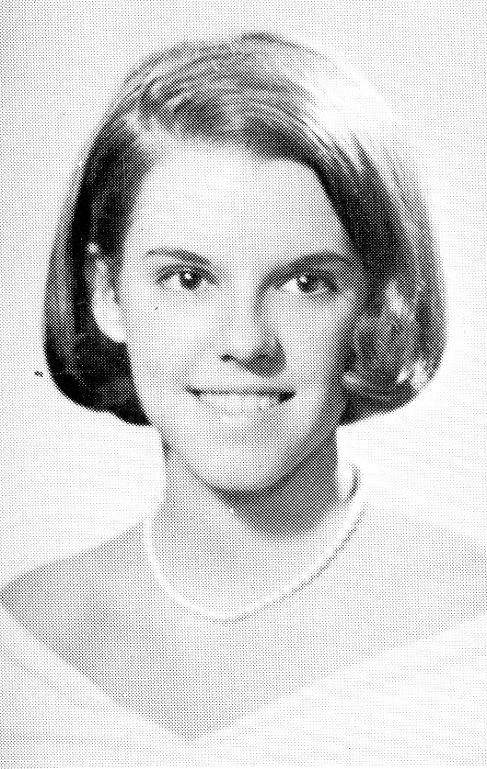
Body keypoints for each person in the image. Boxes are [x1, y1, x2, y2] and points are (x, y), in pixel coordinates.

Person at [1, 31, 486, 766]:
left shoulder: (468, 637)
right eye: (188, 278)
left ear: (378, 303)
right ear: (106, 294)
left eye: (304, 282)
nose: (245, 340)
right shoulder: (20, 648)